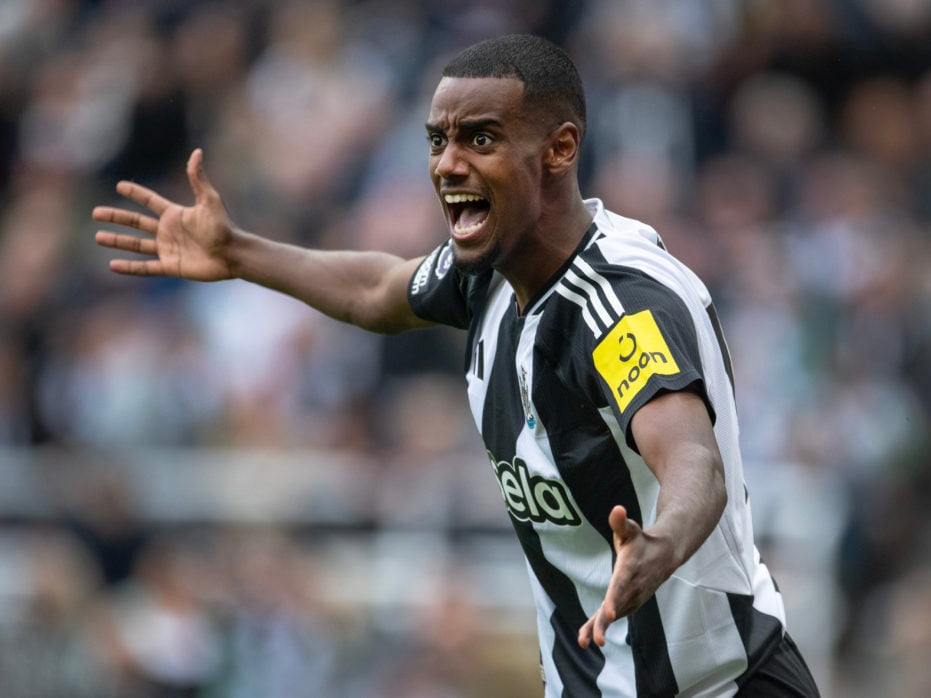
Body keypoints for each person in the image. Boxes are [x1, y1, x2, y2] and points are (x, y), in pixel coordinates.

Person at [94, 33, 819, 697]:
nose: (447, 164)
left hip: (721, 688)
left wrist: (661, 543)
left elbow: (692, 458)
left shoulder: (617, 308)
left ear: (559, 149)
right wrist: (240, 255)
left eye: (479, 138)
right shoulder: (490, 273)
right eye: (437, 140)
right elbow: (377, 291)